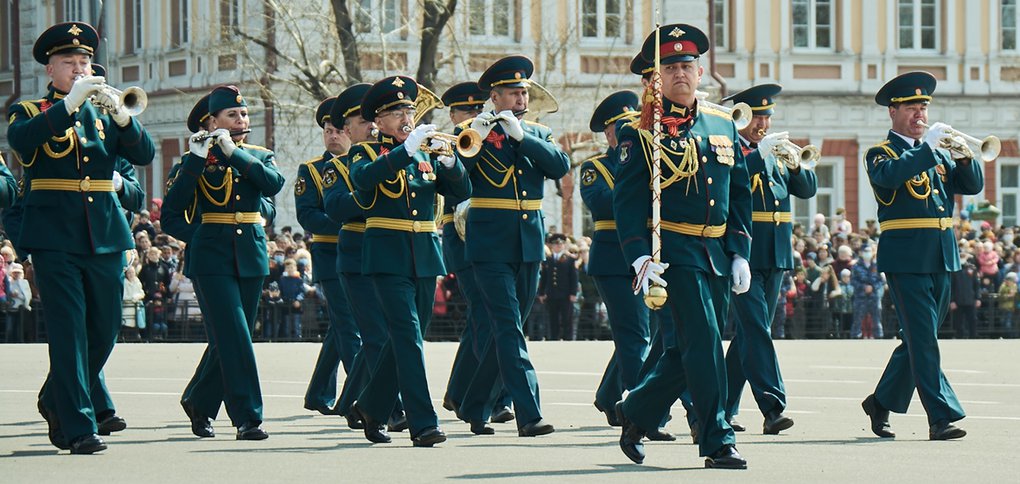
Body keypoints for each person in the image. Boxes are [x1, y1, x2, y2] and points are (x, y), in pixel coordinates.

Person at [6, 21, 155, 454]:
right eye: (69, 62)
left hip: (105, 234)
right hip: (54, 236)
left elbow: (143, 155)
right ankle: (78, 425)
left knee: (106, 328)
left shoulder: (106, 115)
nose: (79, 69)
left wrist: (123, 116)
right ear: (50, 71)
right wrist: (69, 104)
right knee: (69, 331)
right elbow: (23, 142)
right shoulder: (31, 111)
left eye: (84, 61)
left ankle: (55, 398)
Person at [612, 24, 751, 469]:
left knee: (686, 349)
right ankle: (717, 439)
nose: (680, 75)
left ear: (701, 71)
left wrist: (740, 250)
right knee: (707, 340)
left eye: (686, 66)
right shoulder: (643, 130)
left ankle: (635, 411)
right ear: (657, 77)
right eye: (670, 67)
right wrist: (638, 255)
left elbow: (740, 194)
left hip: (715, 252)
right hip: (674, 250)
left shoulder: (722, 123)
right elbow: (628, 201)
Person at [346, 75, 471, 447]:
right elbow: (365, 181)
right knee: (407, 338)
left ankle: (370, 405)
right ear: (378, 123)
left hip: (425, 253)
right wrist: (405, 150)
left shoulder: (426, 151)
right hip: (387, 253)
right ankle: (423, 423)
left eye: (409, 110)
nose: (406, 117)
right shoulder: (365, 152)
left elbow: (461, 192)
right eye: (396, 111)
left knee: (408, 338)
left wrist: (450, 163)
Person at [861, 71, 982, 441]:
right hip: (906, 257)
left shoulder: (937, 150)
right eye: (912, 108)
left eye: (923, 108)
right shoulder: (880, 153)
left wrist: (963, 156)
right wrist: (927, 149)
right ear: (892, 112)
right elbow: (890, 179)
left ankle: (880, 401)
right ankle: (940, 416)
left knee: (919, 337)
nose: (920, 115)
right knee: (924, 340)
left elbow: (972, 185)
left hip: (943, 254)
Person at [452, 55, 568, 438]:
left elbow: (559, 166)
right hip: (488, 242)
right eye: (514, 93)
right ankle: (529, 413)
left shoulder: (536, 131)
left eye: (524, 92)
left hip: (528, 240)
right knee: (506, 326)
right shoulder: (472, 130)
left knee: (511, 328)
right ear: (495, 96)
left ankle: (473, 403)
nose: (522, 98)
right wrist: (478, 138)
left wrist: (522, 136)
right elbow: (453, 182)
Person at [164, 85, 285, 440]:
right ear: (212, 121)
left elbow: (273, 185)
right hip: (210, 256)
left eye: (243, 114)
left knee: (232, 338)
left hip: (250, 253)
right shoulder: (192, 161)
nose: (241, 120)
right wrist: (195, 164)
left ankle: (199, 402)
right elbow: (171, 214)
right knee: (234, 336)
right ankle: (248, 416)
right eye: (232, 115)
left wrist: (234, 154)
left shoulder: (259, 155)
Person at [718, 83, 815, 434]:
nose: (762, 124)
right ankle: (773, 407)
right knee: (758, 329)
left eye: (767, 117)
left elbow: (806, 189)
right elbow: (732, 182)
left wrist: (794, 162)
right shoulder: (729, 149)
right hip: (744, 253)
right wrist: (760, 155)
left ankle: (721, 408)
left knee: (748, 334)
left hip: (775, 253)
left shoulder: (773, 151)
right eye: (756, 116)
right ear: (741, 116)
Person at [579, 90, 667, 437]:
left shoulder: (649, 160)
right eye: (625, 126)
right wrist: (637, 182)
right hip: (614, 260)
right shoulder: (595, 167)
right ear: (609, 133)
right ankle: (643, 412)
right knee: (636, 336)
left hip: (646, 256)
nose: (633, 130)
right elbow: (602, 204)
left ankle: (608, 395)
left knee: (641, 334)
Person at [435, 81, 515, 426]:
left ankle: (462, 391)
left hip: (490, 233)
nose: (471, 115)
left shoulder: (493, 134)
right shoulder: (451, 141)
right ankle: (492, 397)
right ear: (452, 115)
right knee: (485, 313)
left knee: (484, 317)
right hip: (460, 232)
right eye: (464, 111)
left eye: (475, 109)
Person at [322, 82, 390, 430]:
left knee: (386, 335)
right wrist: (369, 201)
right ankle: (388, 409)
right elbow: (333, 206)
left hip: (392, 254)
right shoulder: (341, 166)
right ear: (346, 130)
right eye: (364, 122)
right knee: (378, 335)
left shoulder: (393, 157)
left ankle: (353, 401)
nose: (373, 126)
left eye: (374, 119)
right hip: (357, 255)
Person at [296, 95, 362, 414]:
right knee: (349, 324)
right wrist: (349, 223)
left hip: (364, 252)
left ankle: (318, 393)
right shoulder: (312, 170)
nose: (333, 135)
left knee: (341, 326)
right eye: (327, 130)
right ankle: (361, 394)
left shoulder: (366, 162)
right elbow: (307, 214)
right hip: (330, 254)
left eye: (338, 130)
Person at [537, 233, 579, 340]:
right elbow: (544, 278)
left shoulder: (569, 260)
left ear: (564, 245)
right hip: (552, 294)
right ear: (552, 246)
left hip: (566, 294)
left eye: (560, 244)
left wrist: (573, 293)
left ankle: (568, 338)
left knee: (567, 318)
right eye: (556, 244)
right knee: (553, 318)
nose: (558, 246)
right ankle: (553, 338)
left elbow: (574, 278)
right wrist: (541, 293)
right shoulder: (548, 260)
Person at [851, 244, 884, 338]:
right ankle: (855, 336)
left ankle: (879, 336)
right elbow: (853, 280)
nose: (867, 253)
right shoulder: (856, 266)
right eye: (865, 251)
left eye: (869, 251)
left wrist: (873, 287)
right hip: (860, 296)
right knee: (857, 318)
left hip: (874, 296)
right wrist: (863, 287)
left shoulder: (878, 265)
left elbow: (882, 280)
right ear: (861, 253)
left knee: (877, 318)